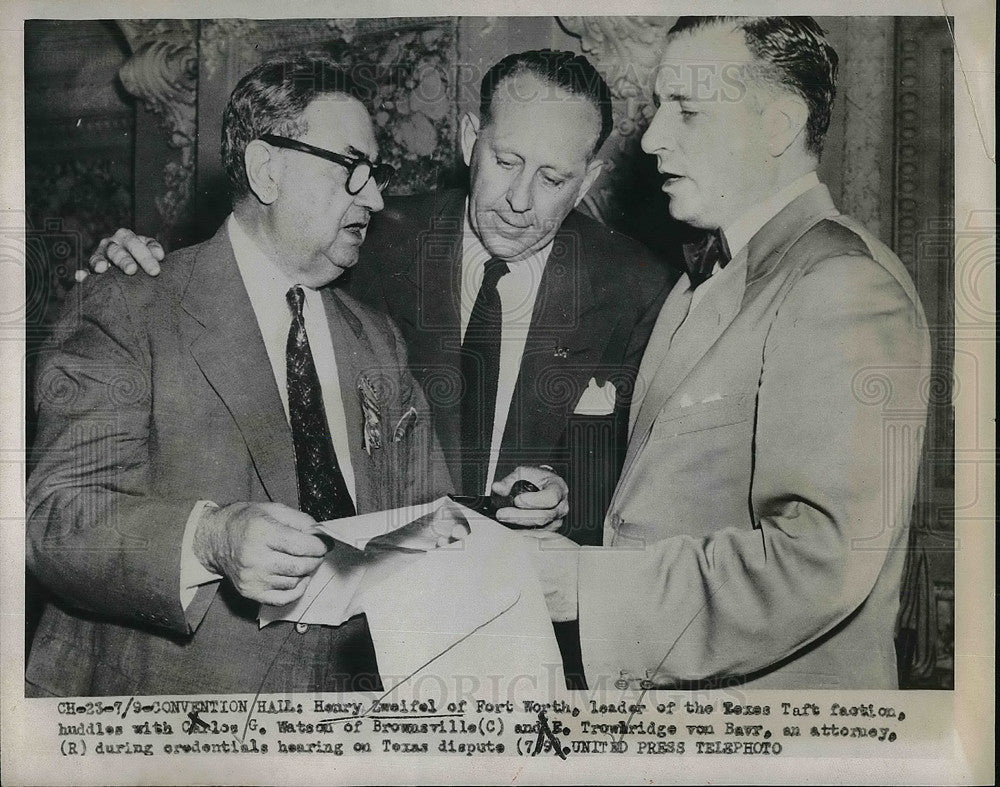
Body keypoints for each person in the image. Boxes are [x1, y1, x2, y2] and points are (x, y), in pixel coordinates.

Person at [26, 55, 564, 697]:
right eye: (353, 168)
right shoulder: (128, 304)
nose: (375, 197)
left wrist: (498, 510)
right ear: (267, 169)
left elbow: (420, 518)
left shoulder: (375, 338)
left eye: (376, 175)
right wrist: (210, 538)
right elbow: (56, 520)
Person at [87, 50, 674, 548]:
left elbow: (638, 482)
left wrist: (568, 496)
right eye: (506, 161)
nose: (520, 200)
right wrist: (134, 259)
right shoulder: (368, 237)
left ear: (588, 181)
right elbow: (248, 256)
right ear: (471, 140)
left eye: (553, 179)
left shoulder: (639, 288)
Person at [525, 16, 932, 689]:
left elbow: (819, 562)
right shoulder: (703, 280)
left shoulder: (841, 284)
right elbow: (673, 495)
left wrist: (585, 586)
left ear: (777, 126)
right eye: (660, 107)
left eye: (687, 110)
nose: (652, 139)